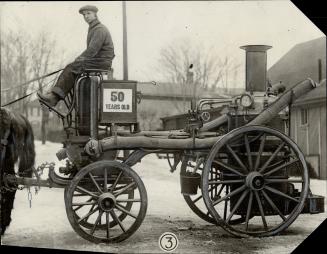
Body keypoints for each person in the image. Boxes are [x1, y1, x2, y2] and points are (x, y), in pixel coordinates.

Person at [38, 5, 115, 107]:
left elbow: (92, 50)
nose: (86, 16)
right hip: (98, 60)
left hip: (101, 61)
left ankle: (54, 97)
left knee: (71, 67)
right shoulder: (94, 28)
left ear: (95, 14)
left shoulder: (99, 29)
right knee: (71, 67)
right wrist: (78, 60)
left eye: (88, 13)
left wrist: (78, 60)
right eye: (84, 15)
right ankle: (54, 95)